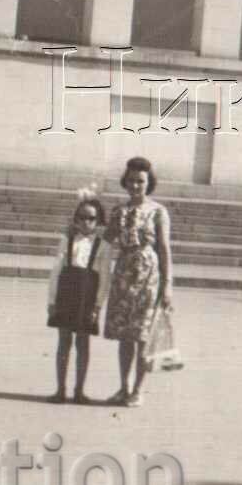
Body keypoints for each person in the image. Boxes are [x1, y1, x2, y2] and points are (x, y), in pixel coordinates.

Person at [104, 156, 173, 407]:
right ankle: (123, 387)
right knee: (125, 336)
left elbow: (164, 249)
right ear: (125, 182)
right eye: (131, 181)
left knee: (143, 335)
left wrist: (168, 285)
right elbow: (105, 240)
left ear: (148, 183)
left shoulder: (157, 211)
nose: (135, 186)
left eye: (140, 181)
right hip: (123, 275)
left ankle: (138, 390)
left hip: (149, 277)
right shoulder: (119, 211)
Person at [46, 190, 112, 403]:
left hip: (87, 296)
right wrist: (52, 301)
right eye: (81, 217)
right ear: (75, 219)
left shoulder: (103, 246)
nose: (86, 222)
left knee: (82, 343)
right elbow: (56, 270)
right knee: (64, 341)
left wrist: (97, 306)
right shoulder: (67, 240)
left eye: (91, 218)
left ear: (99, 220)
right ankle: (60, 389)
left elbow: (104, 279)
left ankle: (79, 390)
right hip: (67, 294)